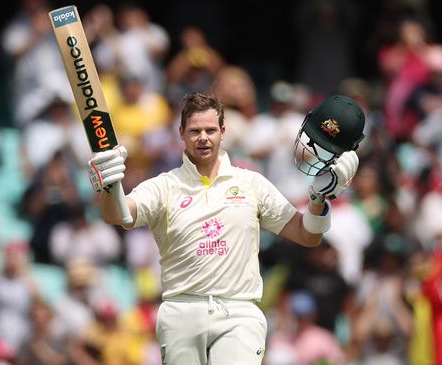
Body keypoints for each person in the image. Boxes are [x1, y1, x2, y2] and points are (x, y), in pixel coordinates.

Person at [88, 92, 363, 364]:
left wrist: (317, 199)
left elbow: (307, 235)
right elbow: (119, 215)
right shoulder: (164, 186)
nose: (203, 138)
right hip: (182, 310)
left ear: (223, 131)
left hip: (239, 312)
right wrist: (109, 187)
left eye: (210, 130)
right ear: (181, 132)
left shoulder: (251, 183)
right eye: (195, 131)